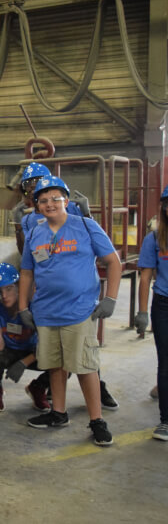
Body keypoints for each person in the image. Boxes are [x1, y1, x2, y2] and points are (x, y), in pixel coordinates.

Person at [19, 176, 121, 446]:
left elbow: (113, 261)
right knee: (55, 365)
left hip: (79, 310)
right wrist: (22, 306)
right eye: (43, 200)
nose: (50, 204)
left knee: (86, 367)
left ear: (66, 200)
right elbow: (27, 272)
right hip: (46, 312)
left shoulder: (86, 226)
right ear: (37, 205)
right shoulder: (34, 233)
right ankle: (58, 412)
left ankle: (97, 420)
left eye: (55, 198)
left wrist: (110, 297)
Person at [0, 262, 50, 412]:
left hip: (35, 352)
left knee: (63, 362)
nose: (5, 295)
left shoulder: (33, 308)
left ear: (18, 287)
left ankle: (37, 388)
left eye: (9, 288)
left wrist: (24, 363)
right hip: (10, 350)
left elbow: (47, 343)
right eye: (0, 291)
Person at [135, 184, 168, 441]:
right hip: (164, 304)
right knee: (165, 362)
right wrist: (142, 312)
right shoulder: (155, 239)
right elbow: (145, 278)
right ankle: (166, 420)